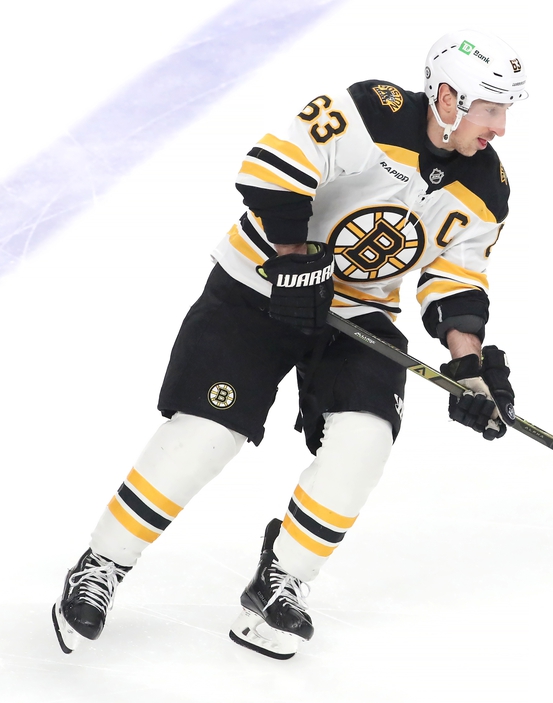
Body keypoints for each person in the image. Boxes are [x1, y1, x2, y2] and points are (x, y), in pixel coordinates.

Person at [51, 29, 527, 660]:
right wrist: (295, 260)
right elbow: (273, 165)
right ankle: (102, 564)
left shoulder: (488, 188)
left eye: (505, 111)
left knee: (365, 439)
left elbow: (456, 277)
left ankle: (281, 581)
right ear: (448, 98)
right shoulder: (371, 111)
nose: (500, 127)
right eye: (490, 110)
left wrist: (468, 365)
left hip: (359, 312)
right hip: (260, 283)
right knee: (206, 433)